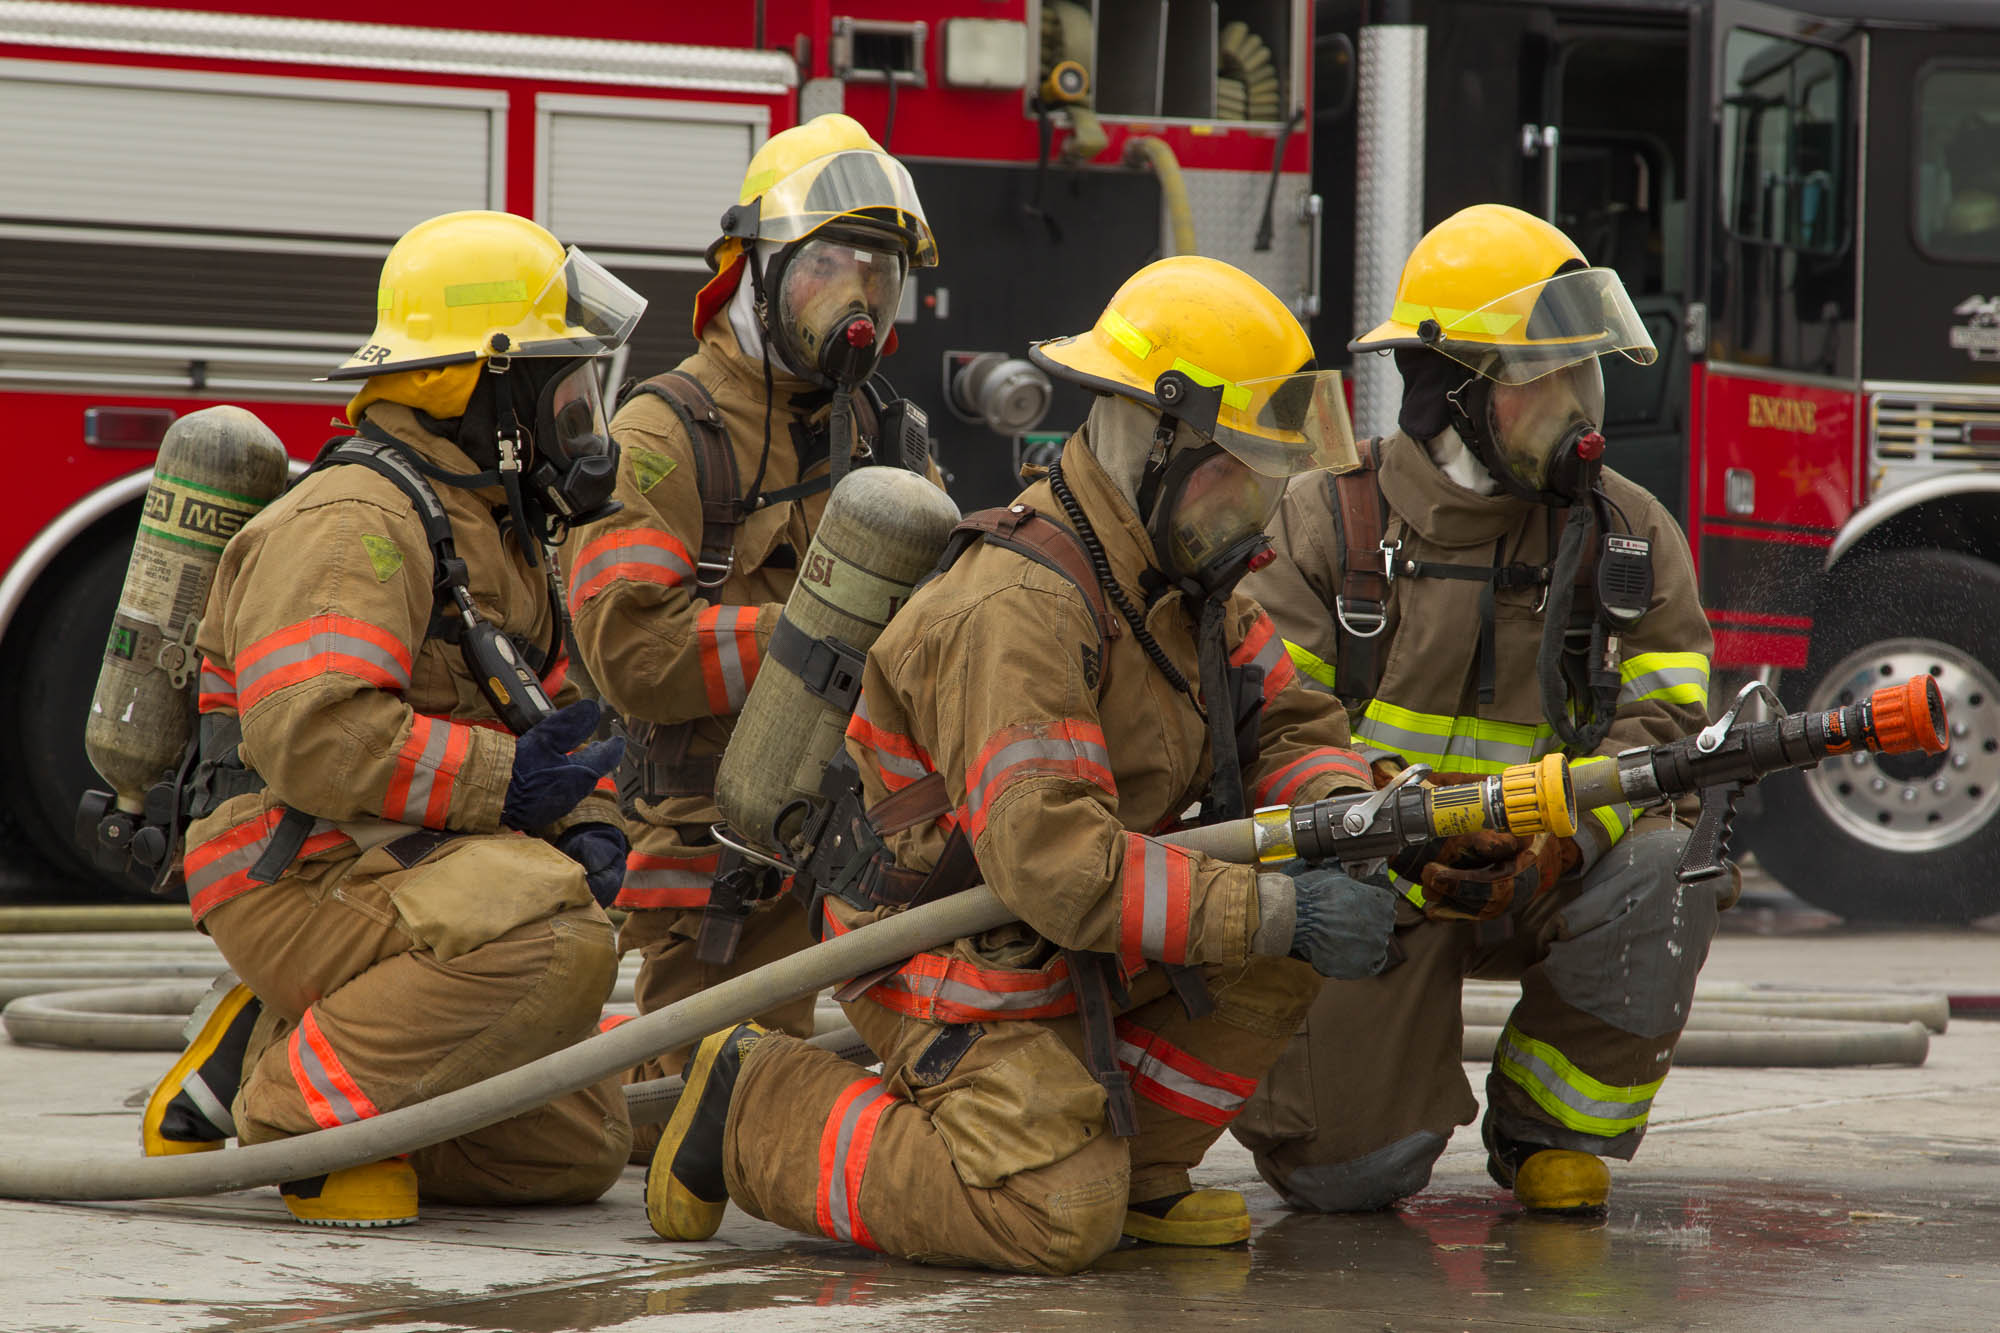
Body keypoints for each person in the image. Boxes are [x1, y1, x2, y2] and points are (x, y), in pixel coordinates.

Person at [643, 254, 1399, 1274]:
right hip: (942, 945)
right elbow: (1053, 858)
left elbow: (1290, 727)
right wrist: (1278, 908)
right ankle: (755, 1097)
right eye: (1240, 467)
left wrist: (1346, 822)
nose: (1260, 503)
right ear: (1158, 438)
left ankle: (1140, 1175)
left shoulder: (1185, 582)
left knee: (1281, 944)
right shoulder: (1020, 607)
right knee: (1052, 1215)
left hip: (1062, 930)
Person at [139, 209, 646, 1227]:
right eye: (562, 387)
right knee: (552, 941)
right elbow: (314, 730)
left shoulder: (488, 524)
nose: (581, 418)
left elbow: (522, 717)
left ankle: (274, 1037)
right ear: (483, 388)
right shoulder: (354, 523)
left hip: (390, 857)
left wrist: (584, 815)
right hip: (294, 863)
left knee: (573, 1150)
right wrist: (512, 788)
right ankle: (295, 1118)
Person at [1228, 203, 1720, 1217]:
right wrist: (1385, 827)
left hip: (1541, 866)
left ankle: (1552, 1131)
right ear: (1449, 393)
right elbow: (1271, 723)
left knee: (1675, 854)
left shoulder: (1625, 532)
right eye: (1541, 379)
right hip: (1368, 875)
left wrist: (1566, 838)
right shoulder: (1325, 518)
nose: (1577, 407)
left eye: (1581, 373)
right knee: (1347, 1178)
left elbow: (1665, 725)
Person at [561, 113, 939, 1158]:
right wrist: (818, 635)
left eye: (881, 272)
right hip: (718, 845)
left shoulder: (892, 436)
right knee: (698, 1121)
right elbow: (633, 653)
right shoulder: (661, 432)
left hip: (872, 821)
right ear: (752, 272)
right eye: (829, 266)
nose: (858, 298)